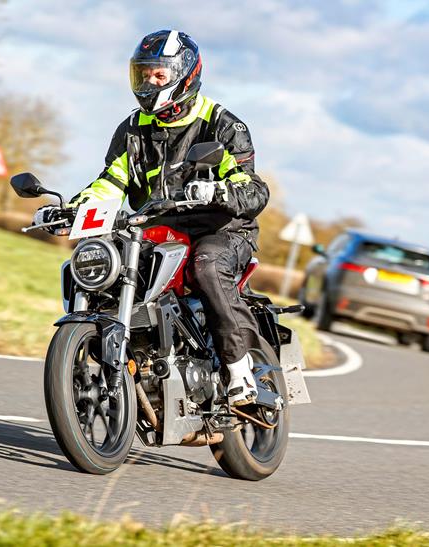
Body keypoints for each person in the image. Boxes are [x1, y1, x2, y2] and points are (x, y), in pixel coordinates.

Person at [34, 30, 268, 406]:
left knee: (207, 266)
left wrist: (217, 192)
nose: (149, 82)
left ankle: (240, 370)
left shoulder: (222, 125)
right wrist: (72, 209)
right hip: (158, 228)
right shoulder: (132, 129)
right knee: (104, 263)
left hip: (221, 228)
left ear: (185, 74)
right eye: (144, 74)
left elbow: (253, 189)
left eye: (159, 74)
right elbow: (112, 182)